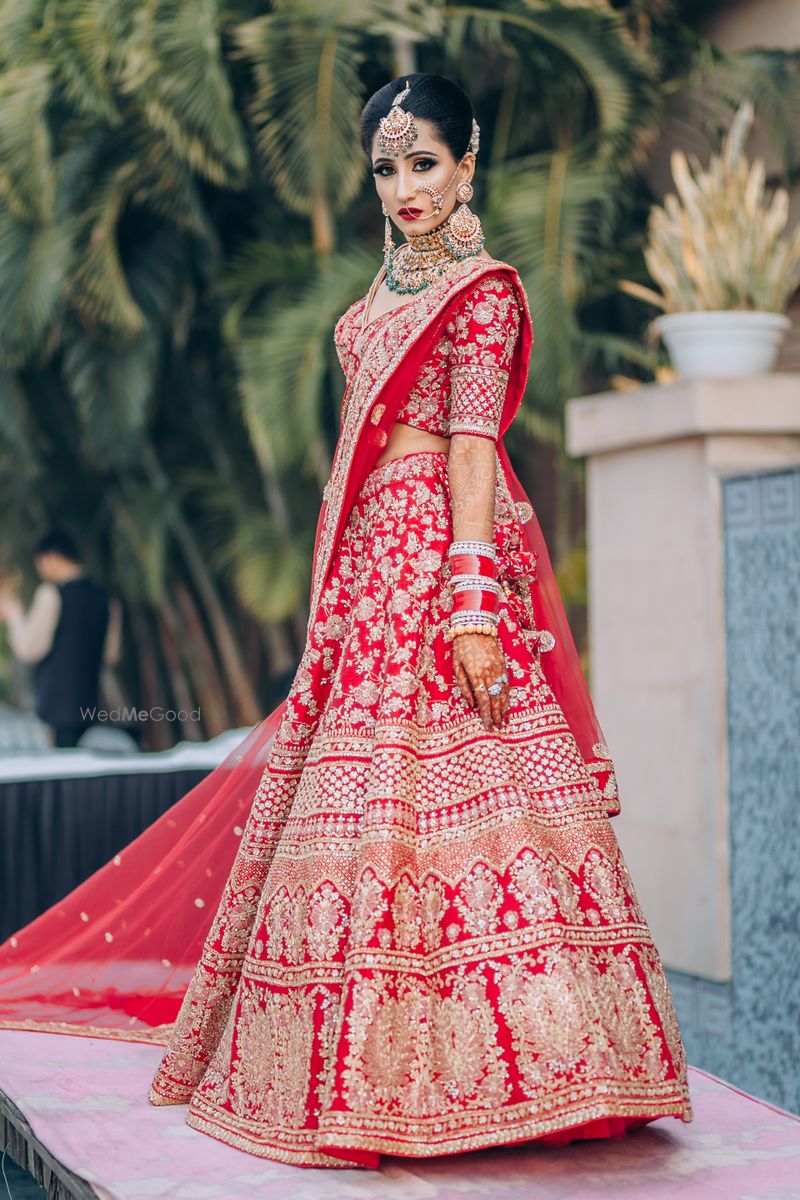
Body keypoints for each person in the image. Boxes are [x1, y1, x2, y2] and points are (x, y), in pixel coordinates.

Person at [0, 75, 692, 1168]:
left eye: (424, 161)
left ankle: (531, 1070)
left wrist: (470, 601)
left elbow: (472, 448)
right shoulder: (368, 307)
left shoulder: (482, 293)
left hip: (434, 559)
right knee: (358, 790)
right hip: (370, 570)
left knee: (456, 778)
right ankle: (354, 1070)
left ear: (468, 162)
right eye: (385, 166)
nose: (405, 186)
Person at [0, 530, 122, 748]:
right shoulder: (106, 598)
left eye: (41, 564)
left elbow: (28, 649)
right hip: (91, 706)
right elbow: (111, 655)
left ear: (52, 558)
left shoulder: (50, 594)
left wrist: (14, 615)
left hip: (55, 710)